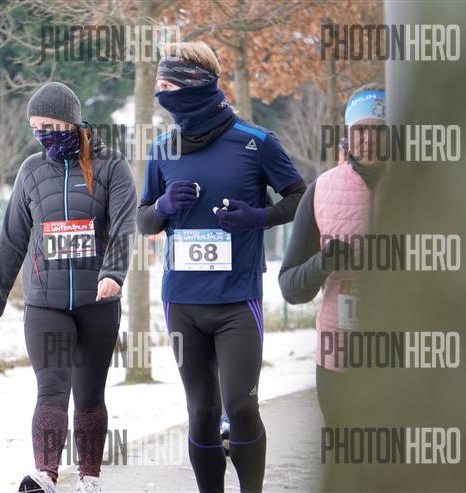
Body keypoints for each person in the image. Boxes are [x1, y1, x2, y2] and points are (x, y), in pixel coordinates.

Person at [137, 42, 306, 493]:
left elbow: (299, 197)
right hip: (182, 303)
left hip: (236, 301)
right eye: (158, 86)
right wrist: (163, 206)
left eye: (169, 85)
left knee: (241, 406)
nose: (162, 95)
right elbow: (143, 219)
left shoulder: (255, 142)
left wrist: (258, 218)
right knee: (202, 412)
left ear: (196, 86)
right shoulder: (162, 150)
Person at [0, 82, 137, 493]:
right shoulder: (31, 171)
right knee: (51, 388)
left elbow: (124, 227)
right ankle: (45, 475)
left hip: (98, 302)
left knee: (89, 393)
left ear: (72, 121)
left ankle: (89, 477)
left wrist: (113, 274)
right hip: (45, 303)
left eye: (51, 126)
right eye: (37, 128)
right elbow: (13, 238)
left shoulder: (112, 166)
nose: (44, 135)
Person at [278, 83, 387, 424]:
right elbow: (290, 288)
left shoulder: (422, 188)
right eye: (360, 130)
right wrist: (322, 263)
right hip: (339, 355)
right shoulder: (322, 190)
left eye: (379, 130)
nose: (369, 140)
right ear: (348, 135)